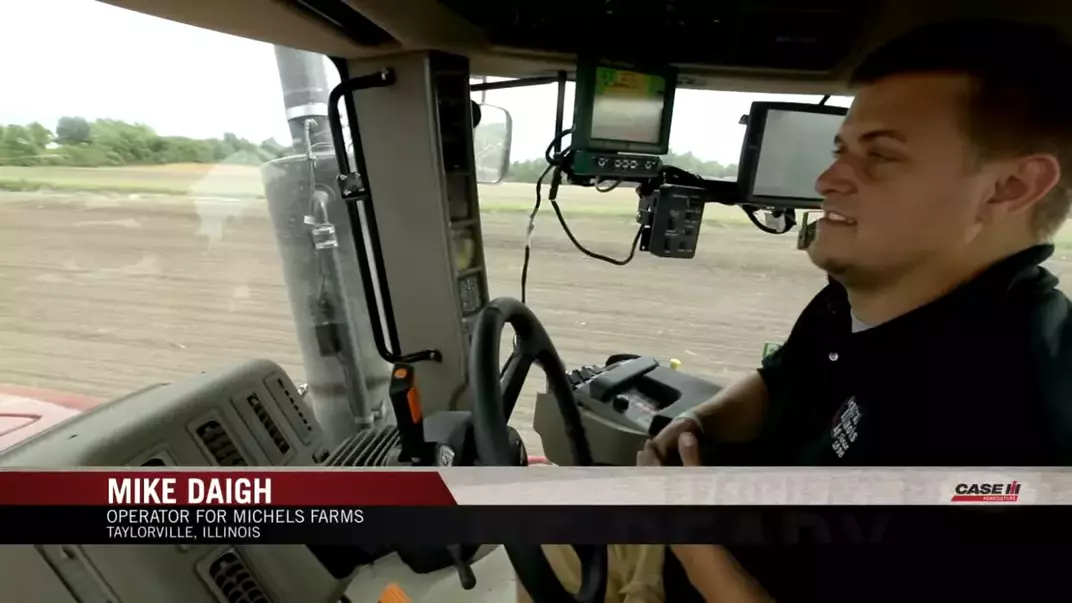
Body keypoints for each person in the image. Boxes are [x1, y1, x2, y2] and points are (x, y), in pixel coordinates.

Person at [521, 18, 1072, 603]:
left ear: (1011, 186)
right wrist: (697, 426)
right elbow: (780, 376)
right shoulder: (865, 292)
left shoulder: (1014, 433)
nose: (828, 179)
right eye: (842, 149)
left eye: (881, 156)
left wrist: (679, 524)